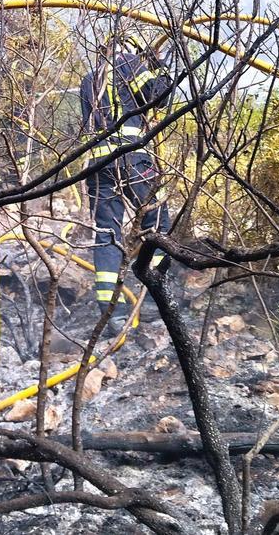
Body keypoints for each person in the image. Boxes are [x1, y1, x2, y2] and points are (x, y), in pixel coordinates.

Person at [79, 30, 173, 336]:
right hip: (133, 161)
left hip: (98, 167)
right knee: (157, 222)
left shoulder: (89, 80)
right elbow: (160, 96)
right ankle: (155, 300)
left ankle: (112, 313)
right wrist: (158, 64)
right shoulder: (128, 64)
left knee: (106, 233)